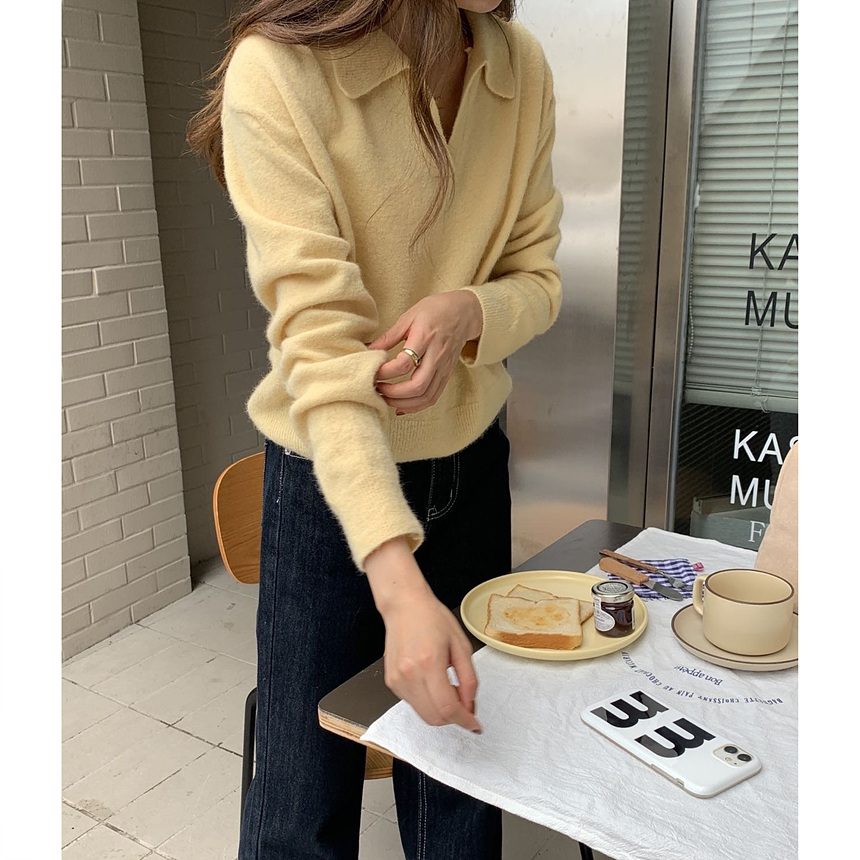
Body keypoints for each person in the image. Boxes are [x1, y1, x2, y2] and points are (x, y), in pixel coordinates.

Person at [187, 1, 562, 857]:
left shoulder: (520, 64)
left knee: (463, 775)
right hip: (328, 477)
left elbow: (537, 277)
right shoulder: (278, 69)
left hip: (471, 462)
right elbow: (320, 347)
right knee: (302, 796)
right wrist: (398, 587)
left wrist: (469, 310)